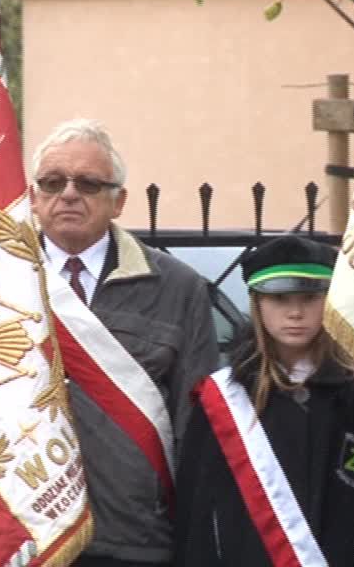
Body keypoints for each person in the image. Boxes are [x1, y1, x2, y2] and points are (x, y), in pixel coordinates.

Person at [31, 118, 219, 566]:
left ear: (120, 202)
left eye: (90, 183)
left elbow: (200, 429)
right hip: (22, 538)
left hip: (134, 540)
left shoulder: (177, 289)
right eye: (53, 182)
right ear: (33, 198)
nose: (70, 194)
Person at [174, 235, 354, 566]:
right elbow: (196, 511)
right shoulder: (224, 399)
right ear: (257, 303)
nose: (295, 313)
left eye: (311, 297)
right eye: (280, 298)